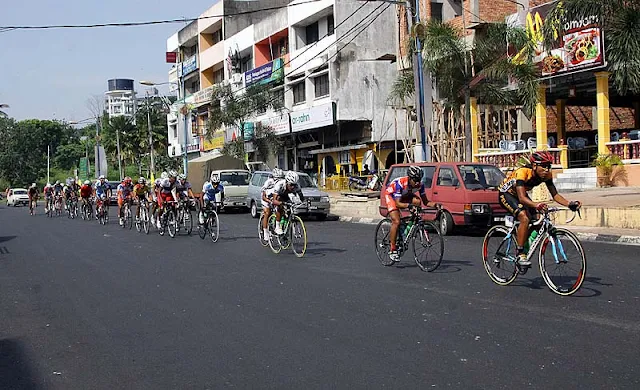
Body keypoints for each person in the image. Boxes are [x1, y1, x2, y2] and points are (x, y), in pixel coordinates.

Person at [498, 151, 581, 266]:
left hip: (520, 194)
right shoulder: (523, 172)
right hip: (506, 194)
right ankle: (520, 252)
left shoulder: (547, 175)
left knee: (539, 220)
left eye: (548, 166)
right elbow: (522, 198)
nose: (546, 170)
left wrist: (569, 204)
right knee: (524, 218)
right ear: (535, 166)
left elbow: (555, 195)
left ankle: (525, 242)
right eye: (544, 166)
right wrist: (537, 204)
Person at [385, 165, 440, 262]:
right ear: (410, 178)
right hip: (392, 196)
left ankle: (410, 223)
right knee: (396, 221)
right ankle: (392, 249)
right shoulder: (401, 184)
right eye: (415, 180)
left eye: (419, 180)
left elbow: (426, 202)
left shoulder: (420, 185)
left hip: (405, 195)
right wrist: (409, 206)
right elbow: (398, 203)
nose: (418, 183)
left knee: (418, 202)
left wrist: (436, 205)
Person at [271, 171, 305, 235]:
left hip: (285, 195)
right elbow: (274, 200)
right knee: (279, 206)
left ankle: (285, 229)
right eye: (291, 185)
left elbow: (301, 197)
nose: (293, 187)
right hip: (276, 195)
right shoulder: (279, 185)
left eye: (294, 185)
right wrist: (280, 203)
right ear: (286, 182)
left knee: (289, 208)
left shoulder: (297, 186)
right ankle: (277, 226)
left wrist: (304, 202)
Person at [260, 168, 284, 239]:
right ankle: (265, 232)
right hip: (266, 199)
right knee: (267, 212)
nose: (279, 180)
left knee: (280, 210)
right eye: (277, 178)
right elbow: (263, 196)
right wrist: (270, 202)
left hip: (274, 198)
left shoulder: (282, 183)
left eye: (281, 178)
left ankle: (278, 226)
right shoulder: (269, 182)